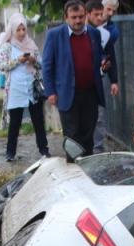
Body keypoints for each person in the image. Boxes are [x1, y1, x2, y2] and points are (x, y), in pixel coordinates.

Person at [42, 0, 107, 156]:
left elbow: (98, 56)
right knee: (72, 136)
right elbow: (47, 65)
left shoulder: (94, 33)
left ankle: (87, 169)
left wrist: (104, 62)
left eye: (81, 16)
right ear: (66, 17)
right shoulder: (55, 35)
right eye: (74, 17)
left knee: (88, 134)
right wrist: (50, 91)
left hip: (90, 93)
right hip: (66, 93)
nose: (78, 21)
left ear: (85, 15)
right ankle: (73, 169)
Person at [0, 13, 49, 162]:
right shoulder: (7, 46)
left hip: (32, 88)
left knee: (38, 120)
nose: (21, 33)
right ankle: (10, 152)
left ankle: (44, 149)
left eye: (23, 29)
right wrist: (18, 60)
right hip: (15, 89)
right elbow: (2, 66)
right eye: (18, 30)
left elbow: (41, 64)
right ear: (13, 30)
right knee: (15, 123)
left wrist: (33, 60)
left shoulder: (31, 44)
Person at [91, 0, 120, 153]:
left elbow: (110, 55)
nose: (109, 14)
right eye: (108, 9)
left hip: (99, 78)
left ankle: (98, 150)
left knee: (99, 117)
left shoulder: (111, 31)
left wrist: (114, 79)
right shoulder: (83, 26)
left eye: (113, 11)